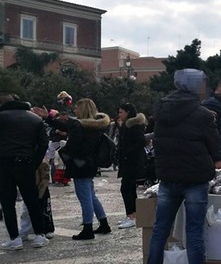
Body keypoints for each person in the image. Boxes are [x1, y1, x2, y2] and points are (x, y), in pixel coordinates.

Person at [146, 68, 221, 264]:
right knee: (194, 234)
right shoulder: (202, 114)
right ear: (195, 87)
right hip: (194, 179)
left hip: (167, 179)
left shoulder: (161, 111)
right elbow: (215, 147)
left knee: (160, 231)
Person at [35, 98, 113, 239]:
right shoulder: (96, 126)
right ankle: (104, 223)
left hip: (80, 165)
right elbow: (66, 126)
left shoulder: (79, 125)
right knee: (91, 195)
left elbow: (73, 144)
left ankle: (88, 229)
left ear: (82, 109)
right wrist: (49, 118)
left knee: (85, 197)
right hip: (90, 164)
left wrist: (64, 152)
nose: (74, 110)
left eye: (77, 108)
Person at [0, 94, 50, 250]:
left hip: (4, 163)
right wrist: (35, 161)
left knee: (7, 202)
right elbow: (43, 143)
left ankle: (14, 238)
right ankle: (40, 235)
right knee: (32, 200)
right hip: (27, 163)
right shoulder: (34, 119)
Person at [116, 103, 148, 230]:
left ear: (128, 112)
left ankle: (132, 216)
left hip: (132, 162)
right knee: (128, 189)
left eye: (121, 112)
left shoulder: (134, 126)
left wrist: (127, 153)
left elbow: (140, 142)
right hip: (128, 162)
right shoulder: (127, 125)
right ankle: (131, 214)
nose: (119, 115)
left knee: (127, 189)